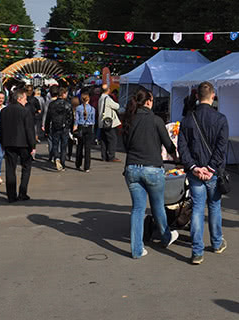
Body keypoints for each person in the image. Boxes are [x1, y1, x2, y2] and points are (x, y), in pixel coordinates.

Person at [121, 87, 180, 258]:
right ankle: (166, 236)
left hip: (132, 168)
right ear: (148, 101)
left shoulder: (129, 120)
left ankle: (137, 249)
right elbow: (168, 144)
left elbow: (125, 145)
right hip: (153, 168)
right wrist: (176, 156)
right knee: (158, 206)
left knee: (137, 209)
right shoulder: (156, 120)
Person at [178, 81, 229, 265]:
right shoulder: (221, 119)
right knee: (214, 206)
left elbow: (181, 147)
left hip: (195, 171)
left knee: (198, 209)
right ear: (213, 96)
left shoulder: (187, 119)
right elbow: (221, 148)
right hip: (212, 171)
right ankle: (216, 243)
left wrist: (193, 166)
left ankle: (197, 251)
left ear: (197, 97)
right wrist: (211, 168)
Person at [0, 89, 36, 202]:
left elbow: (0, 128)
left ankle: (11, 195)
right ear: (19, 99)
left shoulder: (4, 111)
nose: (26, 101)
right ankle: (22, 192)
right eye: (25, 99)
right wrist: (32, 145)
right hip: (23, 144)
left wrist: (2, 142)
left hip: (9, 143)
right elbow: (29, 130)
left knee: (10, 169)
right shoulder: (25, 111)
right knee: (26, 167)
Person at [45, 87, 73, 171]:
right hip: (65, 127)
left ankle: (56, 157)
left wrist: (47, 129)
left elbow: (48, 117)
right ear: (63, 94)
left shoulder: (52, 104)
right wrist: (70, 128)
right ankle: (63, 163)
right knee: (64, 146)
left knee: (55, 144)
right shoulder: (67, 104)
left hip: (55, 126)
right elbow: (71, 117)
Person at [98, 83, 121, 162]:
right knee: (112, 139)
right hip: (108, 122)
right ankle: (111, 156)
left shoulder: (100, 98)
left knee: (104, 140)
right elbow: (117, 106)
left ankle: (104, 156)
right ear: (108, 90)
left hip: (102, 121)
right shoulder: (107, 98)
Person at [74, 93, 96, 172]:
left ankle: (78, 164)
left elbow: (76, 119)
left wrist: (74, 127)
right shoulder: (92, 109)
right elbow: (93, 121)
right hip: (89, 128)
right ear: (88, 99)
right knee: (87, 149)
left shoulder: (78, 108)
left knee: (79, 147)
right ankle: (87, 167)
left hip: (81, 127)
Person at [67, 96, 80, 161]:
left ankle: (69, 154)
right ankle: (77, 155)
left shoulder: (70, 109)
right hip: (78, 128)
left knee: (70, 143)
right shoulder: (80, 109)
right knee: (78, 143)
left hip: (70, 128)